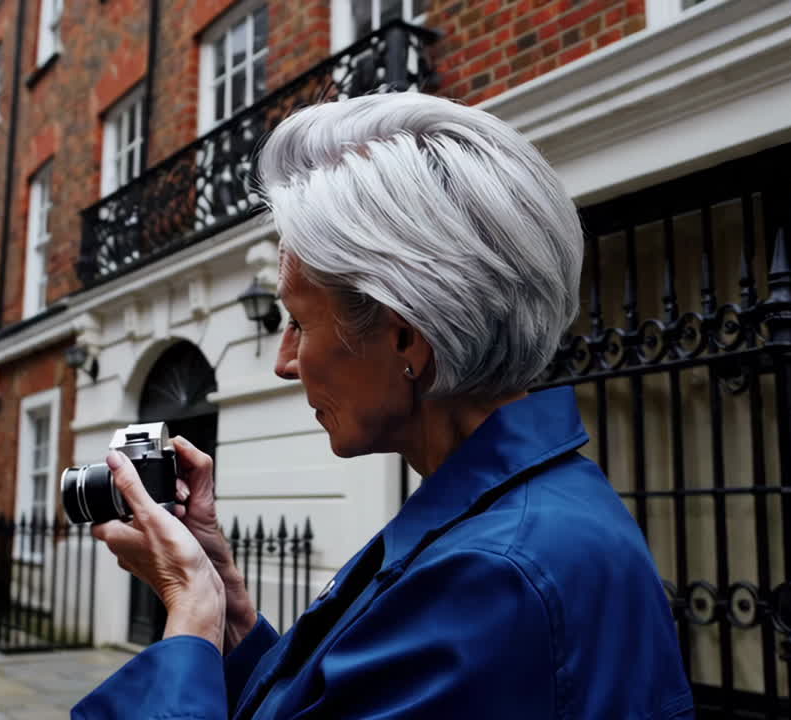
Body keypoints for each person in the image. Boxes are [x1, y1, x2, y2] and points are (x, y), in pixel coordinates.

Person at [72, 92, 693, 719]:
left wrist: (187, 609)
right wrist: (227, 612)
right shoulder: (510, 521)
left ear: (405, 339)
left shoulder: (492, 576)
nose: (285, 362)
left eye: (299, 322)